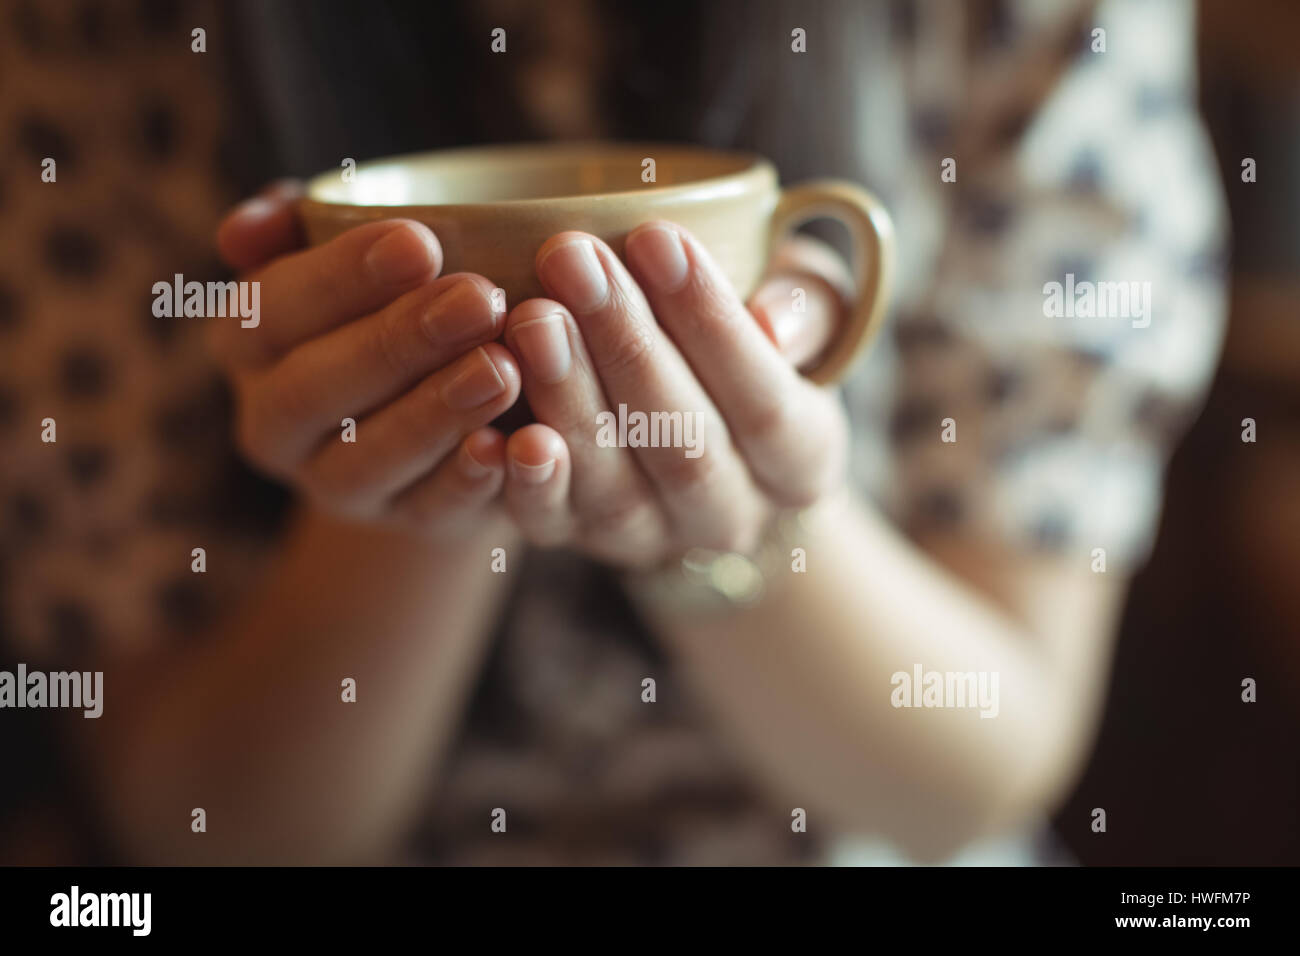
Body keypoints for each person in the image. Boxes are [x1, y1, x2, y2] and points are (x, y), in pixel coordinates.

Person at [0, 0, 1225, 865]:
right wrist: (420, 472)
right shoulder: (101, 31)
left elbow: (972, 780)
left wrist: (746, 531)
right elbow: (202, 829)